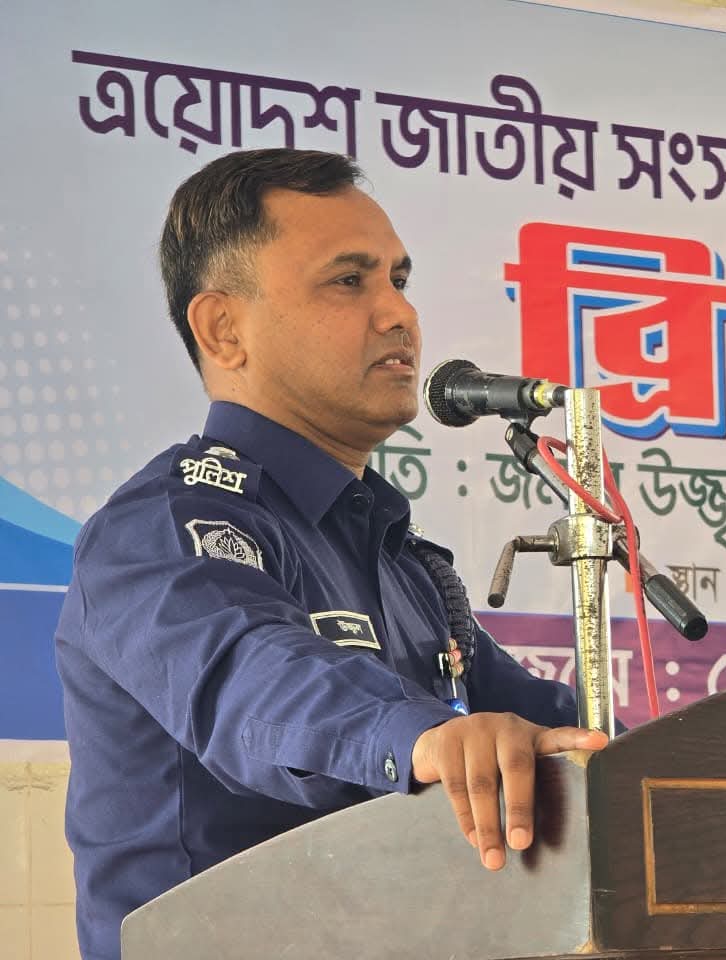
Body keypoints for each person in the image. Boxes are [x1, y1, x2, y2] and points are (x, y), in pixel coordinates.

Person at [54, 148, 608, 960]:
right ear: (224, 329)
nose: (398, 313)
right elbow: (252, 676)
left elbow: (544, 727)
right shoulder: (159, 528)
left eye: (399, 280)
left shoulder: (400, 559)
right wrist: (424, 737)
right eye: (349, 281)